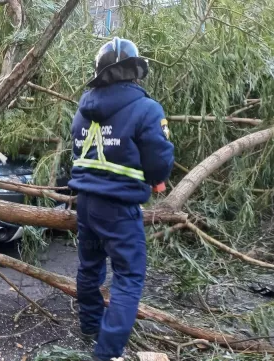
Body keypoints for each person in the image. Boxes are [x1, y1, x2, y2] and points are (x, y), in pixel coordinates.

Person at [69, 37, 174, 361]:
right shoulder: (147, 109)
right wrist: (157, 182)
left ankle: (90, 327)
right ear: (135, 71)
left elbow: (74, 151)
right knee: (129, 277)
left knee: (89, 268)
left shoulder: (83, 108)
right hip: (118, 208)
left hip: (85, 203)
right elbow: (159, 160)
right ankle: (107, 353)